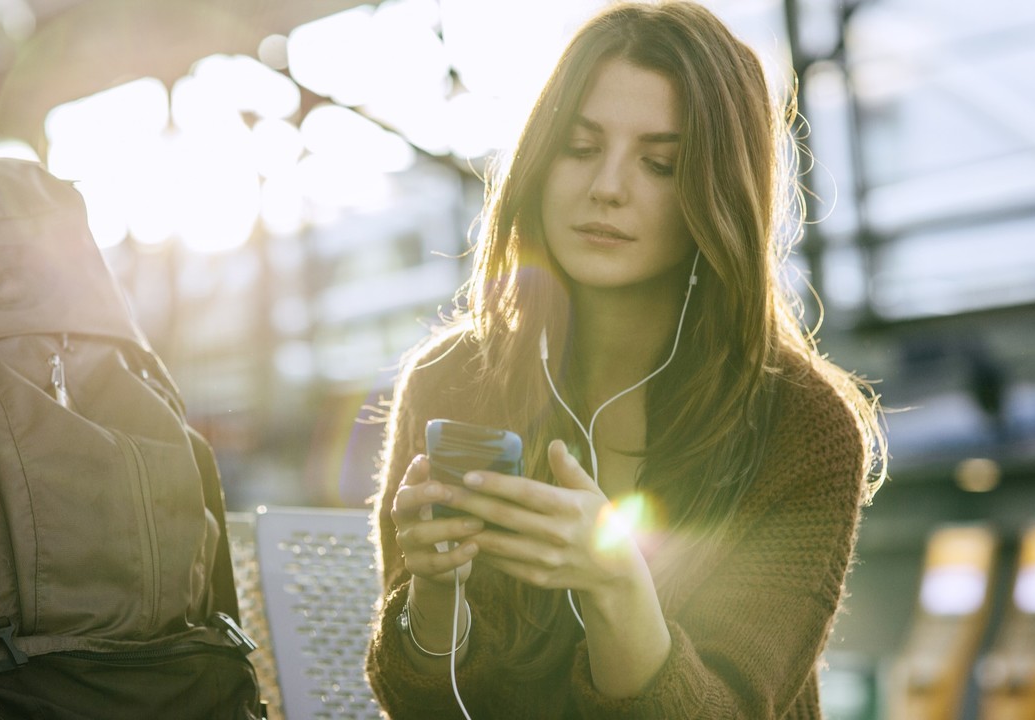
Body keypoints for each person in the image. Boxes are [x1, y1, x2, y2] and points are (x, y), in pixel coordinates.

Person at [363, 1, 887, 717]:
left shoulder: (802, 426)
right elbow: (413, 700)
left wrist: (616, 587)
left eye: (659, 163)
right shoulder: (449, 379)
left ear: (718, 191)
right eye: (579, 149)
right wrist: (431, 590)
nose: (607, 186)